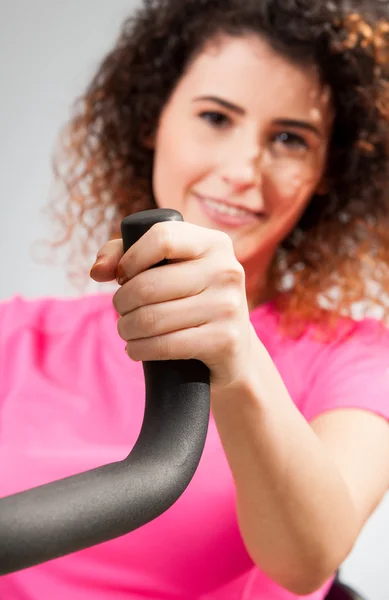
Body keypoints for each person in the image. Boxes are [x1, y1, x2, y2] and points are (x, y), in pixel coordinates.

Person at [1, 0, 389, 598]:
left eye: (289, 138)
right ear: (155, 117)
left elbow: (306, 560)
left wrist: (238, 362)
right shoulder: (16, 336)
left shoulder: (355, 358)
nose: (242, 169)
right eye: (215, 117)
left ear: (327, 171)